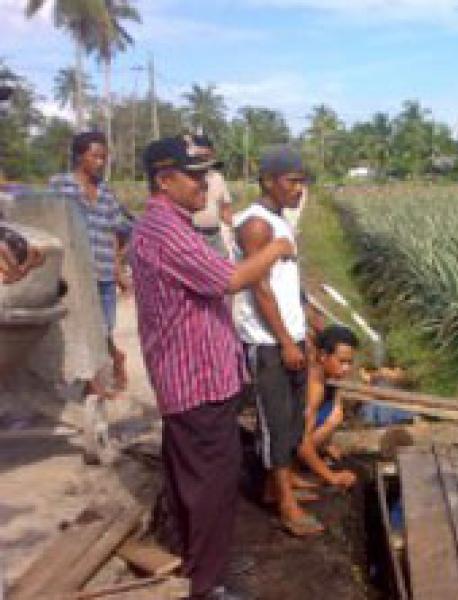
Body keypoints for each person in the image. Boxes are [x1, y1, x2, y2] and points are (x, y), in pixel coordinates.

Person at [131, 134, 295, 600]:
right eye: (196, 175)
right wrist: (276, 249)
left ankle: (199, 563)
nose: (207, 184)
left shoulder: (175, 225)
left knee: (194, 479)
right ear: (164, 180)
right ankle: (208, 585)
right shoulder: (165, 231)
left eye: (208, 173)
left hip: (196, 378)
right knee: (211, 486)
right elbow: (230, 279)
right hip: (196, 382)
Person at [234, 146, 323, 537]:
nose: (298, 188)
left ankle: (279, 483)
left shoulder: (279, 220)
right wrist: (286, 341)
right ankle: (285, 503)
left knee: (291, 414)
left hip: (290, 334)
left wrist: (306, 318)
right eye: (292, 180)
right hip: (268, 341)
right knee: (273, 417)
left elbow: (287, 282)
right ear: (268, 180)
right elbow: (260, 288)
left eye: (302, 181)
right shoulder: (255, 225)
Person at [50, 131, 132, 393]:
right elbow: (49, 224)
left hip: (104, 273)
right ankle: (93, 385)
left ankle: (115, 360)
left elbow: (117, 231)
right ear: (79, 156)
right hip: (73, 275)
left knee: (104, 328)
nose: (101, 162)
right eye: (95, 156)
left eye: (104, 157)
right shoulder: (60, 186)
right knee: (82, 329)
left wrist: (119, 270)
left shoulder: (106, 192)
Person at [297, 324, 358, 489]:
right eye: (342, 361)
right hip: (287, 446)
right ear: (323, 356)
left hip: (295, 438)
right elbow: (302, 444)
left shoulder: (325, 376)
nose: (346, 368)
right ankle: (289, 474)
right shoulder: (315, 387)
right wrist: (332, 477)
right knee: (334, 417)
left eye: (350, 362)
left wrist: (325, 445)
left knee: (335, 412)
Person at [190, 134, 234, 257]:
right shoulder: (186, 178)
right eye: (199, 155)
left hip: (215, 235)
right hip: (193, 235)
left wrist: (234, 229)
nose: (203, 159)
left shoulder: (217, 177)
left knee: (224, 268)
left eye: (207, 155)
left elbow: (225, 208)